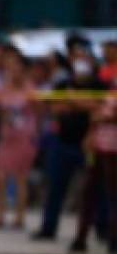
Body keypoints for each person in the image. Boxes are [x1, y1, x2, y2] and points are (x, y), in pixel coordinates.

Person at [33, 35, 107, 240]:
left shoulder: (100, 85)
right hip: (63, 142)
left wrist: (75, 102)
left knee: (96, 190)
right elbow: (56, 109)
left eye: (83, 55)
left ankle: (102, 229)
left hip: (90, 143)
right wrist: (82, 104)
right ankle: (48, 228)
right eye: (75, 56)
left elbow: (101, 109)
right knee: (55, 187)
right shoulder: (63, 84)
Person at [0, 47, 39, 230]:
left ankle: (19, 218)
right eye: (9, 66)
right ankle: (0, 215)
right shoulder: (3, 88)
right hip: (7, 136)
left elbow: (38, 112)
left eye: (15, 66)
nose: (12, 69)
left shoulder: (30, 88)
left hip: (25, 136)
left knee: (20, 178)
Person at [69, 81, 117, 254]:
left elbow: (104, 114)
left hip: (113, 150)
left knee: (113, 195)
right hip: (99, 148)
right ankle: (81, 237)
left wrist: (103, 117)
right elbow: (96, 114)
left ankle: (113, 239)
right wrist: (90, 133)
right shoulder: (109, 89)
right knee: (89, 193)